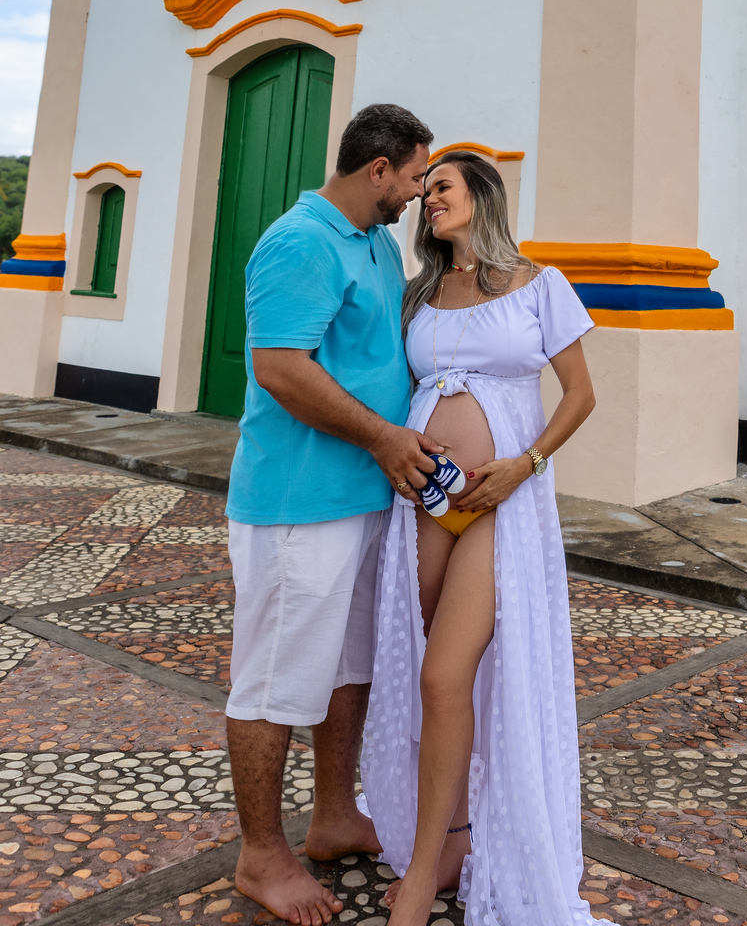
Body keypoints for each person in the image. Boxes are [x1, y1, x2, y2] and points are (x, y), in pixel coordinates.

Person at [361, 150, 609, 926]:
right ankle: (454, 839)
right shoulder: (420, 294)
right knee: (427, 674)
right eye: (425, 190)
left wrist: (526, 463)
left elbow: (581, 394)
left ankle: (421, 875)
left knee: (444, 678)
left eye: (442, 187)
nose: (428, 200)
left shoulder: (539, 285)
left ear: (482, 195)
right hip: (424, 502)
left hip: (500, 505)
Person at [225, 102, 445, 926]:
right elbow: (281, 368)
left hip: (361, 498)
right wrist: (386, 438)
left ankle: (333, 815)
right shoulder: (300, 242)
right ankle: (260, 854)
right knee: (275, 678)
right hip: (298, 505)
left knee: (348, 667)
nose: (420, 191)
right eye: (415, 176)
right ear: (377, 169)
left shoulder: (377, 243)